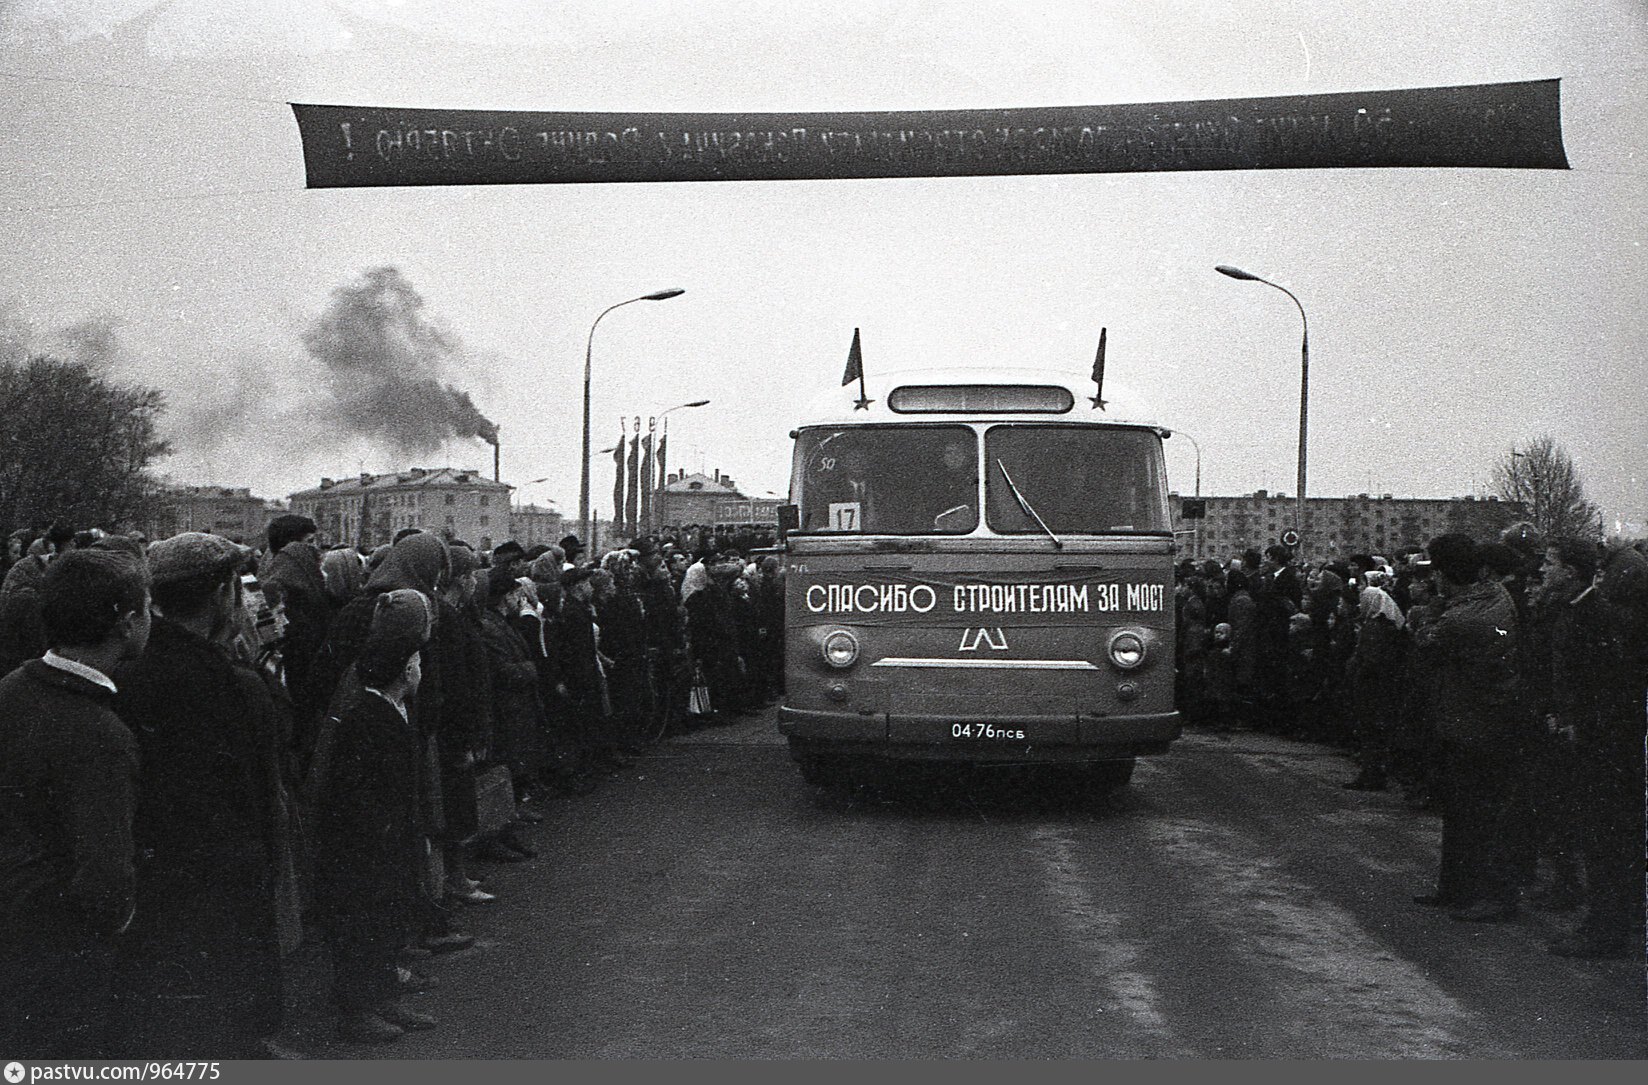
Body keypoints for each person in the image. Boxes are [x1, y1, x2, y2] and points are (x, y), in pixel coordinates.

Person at [110, 533, 295, 1058]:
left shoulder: (125, 669)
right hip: (224, 884)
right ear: (222, 593)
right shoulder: (234, 683)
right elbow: (264, 785)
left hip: (152, 884)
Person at [0, 549, 150, 1057]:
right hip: (63, 952)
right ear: (128, 624)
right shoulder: (100, 733)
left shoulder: (12, 690)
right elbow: (106, 880)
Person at [306, 589, 439, 1043]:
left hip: (389, 842)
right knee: (361, 930)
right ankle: (355, 1011)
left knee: (385, 924)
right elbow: (359, 794)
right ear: (405, 670)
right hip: (364, 848)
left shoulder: (394, 709)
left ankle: (384, 999)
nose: (422, 669)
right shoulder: (370, 717)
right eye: (418, 663)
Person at [1411, 534, 1524, 922]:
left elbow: (1426, 643)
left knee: (1472, 813)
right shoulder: (1493, 597)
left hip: (1472, 723)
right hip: (1478, 719)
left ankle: (1471, 891)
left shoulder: (1462, 617)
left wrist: (1430, 613)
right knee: (1468, 812)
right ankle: (1458, 889)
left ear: (1444, 573)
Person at [260, 514, 331, 745]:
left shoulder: (274, 572)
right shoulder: (286, 582)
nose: (316, 550)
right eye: (310, 542)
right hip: (296, 675)